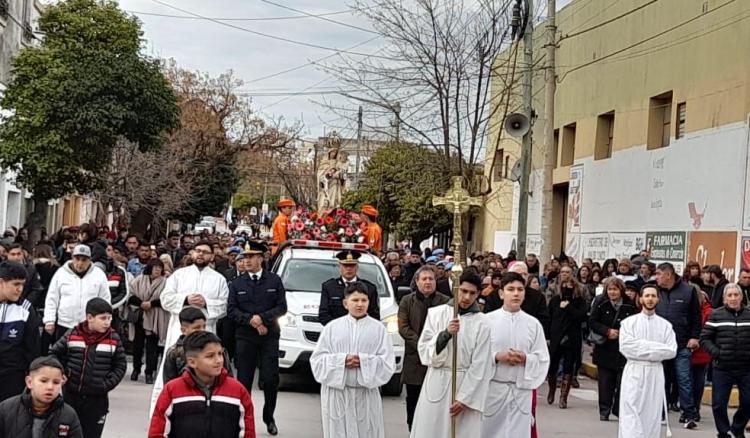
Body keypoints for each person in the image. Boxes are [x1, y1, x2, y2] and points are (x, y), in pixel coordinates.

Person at [409, 271, 493, 438]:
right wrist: (445, 334)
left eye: (472, 293)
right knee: (432, 430)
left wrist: (465, 398)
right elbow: (424, 350)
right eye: (463, 291)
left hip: (465, 384)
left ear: (478, 294)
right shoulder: (436, 314)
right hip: (437, 381)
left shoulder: (483, 323)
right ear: (456, 289)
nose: (467, 297)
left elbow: (481, 364)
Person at [310, 282, 395, 438]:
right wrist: (342, 360)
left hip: (366, 395)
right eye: (355, 300)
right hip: (338, 395)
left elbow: (388, 363)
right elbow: (317, 361)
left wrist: (364, 361)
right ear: (345, 303)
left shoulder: (378, 329)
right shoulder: (332, 328)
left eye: (364, 300)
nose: (360, 304)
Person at [149, 331, 256, 438]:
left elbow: (248, 432)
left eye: (220, 354)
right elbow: (157, 432)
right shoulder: (172, 390)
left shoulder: (238, 391)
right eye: (210, 356)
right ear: (192, 362)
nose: (218, 360)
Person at [481, 272, 549, 438]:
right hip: (494, 389)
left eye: (520, 289)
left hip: (521, 392)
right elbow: (477, 356)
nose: (516, 293)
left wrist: (526, 358)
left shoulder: (533, 324)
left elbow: (542, 358)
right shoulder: (486, 321)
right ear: (501, 293)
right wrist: (497, 357)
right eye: (511, 289)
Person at [228, 241, 286, 436]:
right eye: (245, 257)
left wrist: (262, 319)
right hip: (245, 336)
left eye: (252, 257)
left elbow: (281, 307)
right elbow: (232, 310)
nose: (248, 260)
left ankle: (269, 417)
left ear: (261, 258)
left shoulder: (274, 281)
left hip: (269, 336)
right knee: (244, 380)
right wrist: (251, 320)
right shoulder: (237, 283)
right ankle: (243, 418)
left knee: (270, 379)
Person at [50, 298, 126, 438]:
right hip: (71, 396)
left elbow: (121, 365)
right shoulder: (73, 334)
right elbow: (54, 353)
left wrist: (107, 384)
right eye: (103, 318)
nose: (107, 322)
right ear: (89, 318)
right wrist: (61, 373)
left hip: (97, 399)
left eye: (110, 318)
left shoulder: (114, 338)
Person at [618, 284, 678, 438]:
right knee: (631, 412)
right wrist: (656, 348)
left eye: (653, 296)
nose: (650, 299)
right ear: (640, 298)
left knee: (651, 415)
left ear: (658, 299)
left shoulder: (665, 326)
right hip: (634, 371)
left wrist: (641, 346)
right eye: (647, 296)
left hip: (655, 373)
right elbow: (626, 348)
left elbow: (671, 350)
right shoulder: (628, 323)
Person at [398, 266, 449, 431]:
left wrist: (433, 346)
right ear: (417, 281)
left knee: (434, 398)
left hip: (437, 356)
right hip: (414, 358)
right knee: (413, 397)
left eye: (431, 279)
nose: (428, 282)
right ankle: (412, 429)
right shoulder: (407, 300)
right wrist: (421, 345)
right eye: (424, 279)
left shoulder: (445, 301)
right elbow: (403, 326)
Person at [160, 240, 229, 356]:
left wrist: (206, 303)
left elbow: (224, 305)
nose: (201, 254)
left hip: (206, 328)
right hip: (179, 328)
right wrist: (186, 299)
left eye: (205, 252)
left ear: (212, 256)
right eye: (198, 251)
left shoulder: (219, 279)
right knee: (176, 362)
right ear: (192, 253)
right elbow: (165, 299)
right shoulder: (178, 275)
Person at [654, 262, 702, 428]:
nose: (656, 277)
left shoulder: (688, 291)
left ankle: (689, 414)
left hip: (682, 344)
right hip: (660, 345)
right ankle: (660, 412)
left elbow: (696, 316)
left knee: (684, 379)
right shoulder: (655, 291)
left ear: (668, 274)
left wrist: (695, 337)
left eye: (659, 274)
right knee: (662, 380)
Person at [701, 283, 750, 438]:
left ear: (742, 297)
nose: (733, 298)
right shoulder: (716, 315)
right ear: (724, 298)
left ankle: (737, 427)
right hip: (722, 368)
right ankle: (724, 432)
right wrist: (717, 353)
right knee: (719, 404)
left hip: (746, 368)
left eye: (736, 295)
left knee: (748, 402)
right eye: (730, 295)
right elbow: (705, 339)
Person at [589, 277, 638, 421]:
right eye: (610, 289)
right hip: (604, 347)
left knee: (622, 382)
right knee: (605, 382)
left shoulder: (629, 305)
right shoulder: (600, 302)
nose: (612, 292)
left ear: (621, 290)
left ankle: (618, 408)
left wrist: (622, 333)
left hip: (622, 349)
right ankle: (604, 410)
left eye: (615, 289)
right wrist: (607, 331)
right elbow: (592, 321)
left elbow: (634, 323)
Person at [0, 356, 83, 438]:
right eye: (43, 381)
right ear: (29, 382)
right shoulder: (5, 409)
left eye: (56, 382)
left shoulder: (69, 415)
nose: (50, 387)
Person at [43, 245, 110, 342]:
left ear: (90, 259)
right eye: (77, 259)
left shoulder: (99, 275)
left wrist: (103, 321)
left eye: (84, 260)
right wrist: (49, 320)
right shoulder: (61, 273)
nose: (80, 263)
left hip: (89, 325)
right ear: (72, 257)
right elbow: (52, 298)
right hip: (65, 324)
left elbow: (105, 300)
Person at [546, 265, 587, 409]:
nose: (567, 289)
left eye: (570, 286)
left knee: (569, 367)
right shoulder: (555, 300)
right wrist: (548, 336)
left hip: (571, 338)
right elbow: (549, 318)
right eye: (564, 286)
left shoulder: (579, 302)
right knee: (553, 366)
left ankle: (563, 397)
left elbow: (582, 317)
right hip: (557, 337)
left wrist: (569, 307)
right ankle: (551, 390)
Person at [0, 261, 40, 402]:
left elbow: (33, 349)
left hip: (12, 378)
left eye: (22, 284)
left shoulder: (26, 309)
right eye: (16, 284)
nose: (20, 289)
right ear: (2, 282)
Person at [162, 306, 232, 384]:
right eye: (196, 328)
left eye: (204, 326)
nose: (202, 331)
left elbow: (228, 377)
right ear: (184, 330)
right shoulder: (174, 353)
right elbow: (169, 383)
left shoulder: (217, 349)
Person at [128, 259, 169, 384]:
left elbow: (166, 298)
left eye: (160, 267)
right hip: (140, 316)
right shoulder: (139, 280)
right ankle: (136, 369)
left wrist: (151, 303)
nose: (157, 269)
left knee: (152, 347)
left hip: (155, 316)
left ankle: (149, 372)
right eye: (155, 267)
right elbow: (130, 296)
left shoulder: (166, 282)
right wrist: (141, 303)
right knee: (137, 345)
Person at [319, 250, 380, 326]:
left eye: (352, 265)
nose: (348, 269)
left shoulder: (369, 288)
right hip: (337, 332)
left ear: (357, 267)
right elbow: (323, 314)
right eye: (345, 265)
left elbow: (374, 316)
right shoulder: (329, 287)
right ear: (340, 267)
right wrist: (339, 327)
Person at [6, 244, 44, 310]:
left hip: (25, 306)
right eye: (13, 254)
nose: (16, 257)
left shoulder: (30, 269)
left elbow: (36, 288)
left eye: (18, 254)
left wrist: (25, 303)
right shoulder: (2, 268)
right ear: (8, 255)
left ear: (23, 255)